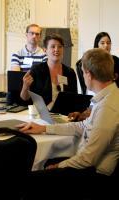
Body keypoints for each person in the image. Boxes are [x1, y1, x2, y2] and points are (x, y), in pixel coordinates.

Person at [18, 48, 119, 198]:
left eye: (84, 72)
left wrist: (59, 166)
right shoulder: (107, 96)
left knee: (27, 182)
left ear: (89, 75)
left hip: (95, 174)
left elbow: (88, 159)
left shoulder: (108, 107)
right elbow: (82, 126)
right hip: (88, 165)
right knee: (44, 162)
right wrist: (44, 128)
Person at [69, 32, 119, 121]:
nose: (106, 46)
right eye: (102, 43)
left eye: (108, 43)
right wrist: (83, 113)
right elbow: (89, 96)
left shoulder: (116, 62)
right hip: (93, 104)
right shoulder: (87, 63)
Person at [20, 33, 77, 109]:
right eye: (53, 47)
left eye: (60, 46)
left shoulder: (70, 72)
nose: (56, 49)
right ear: (45, 50)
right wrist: (25, 86)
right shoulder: (37, 70)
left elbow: (75, 98)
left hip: (64, 115)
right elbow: (25, 98)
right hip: (42, 114)